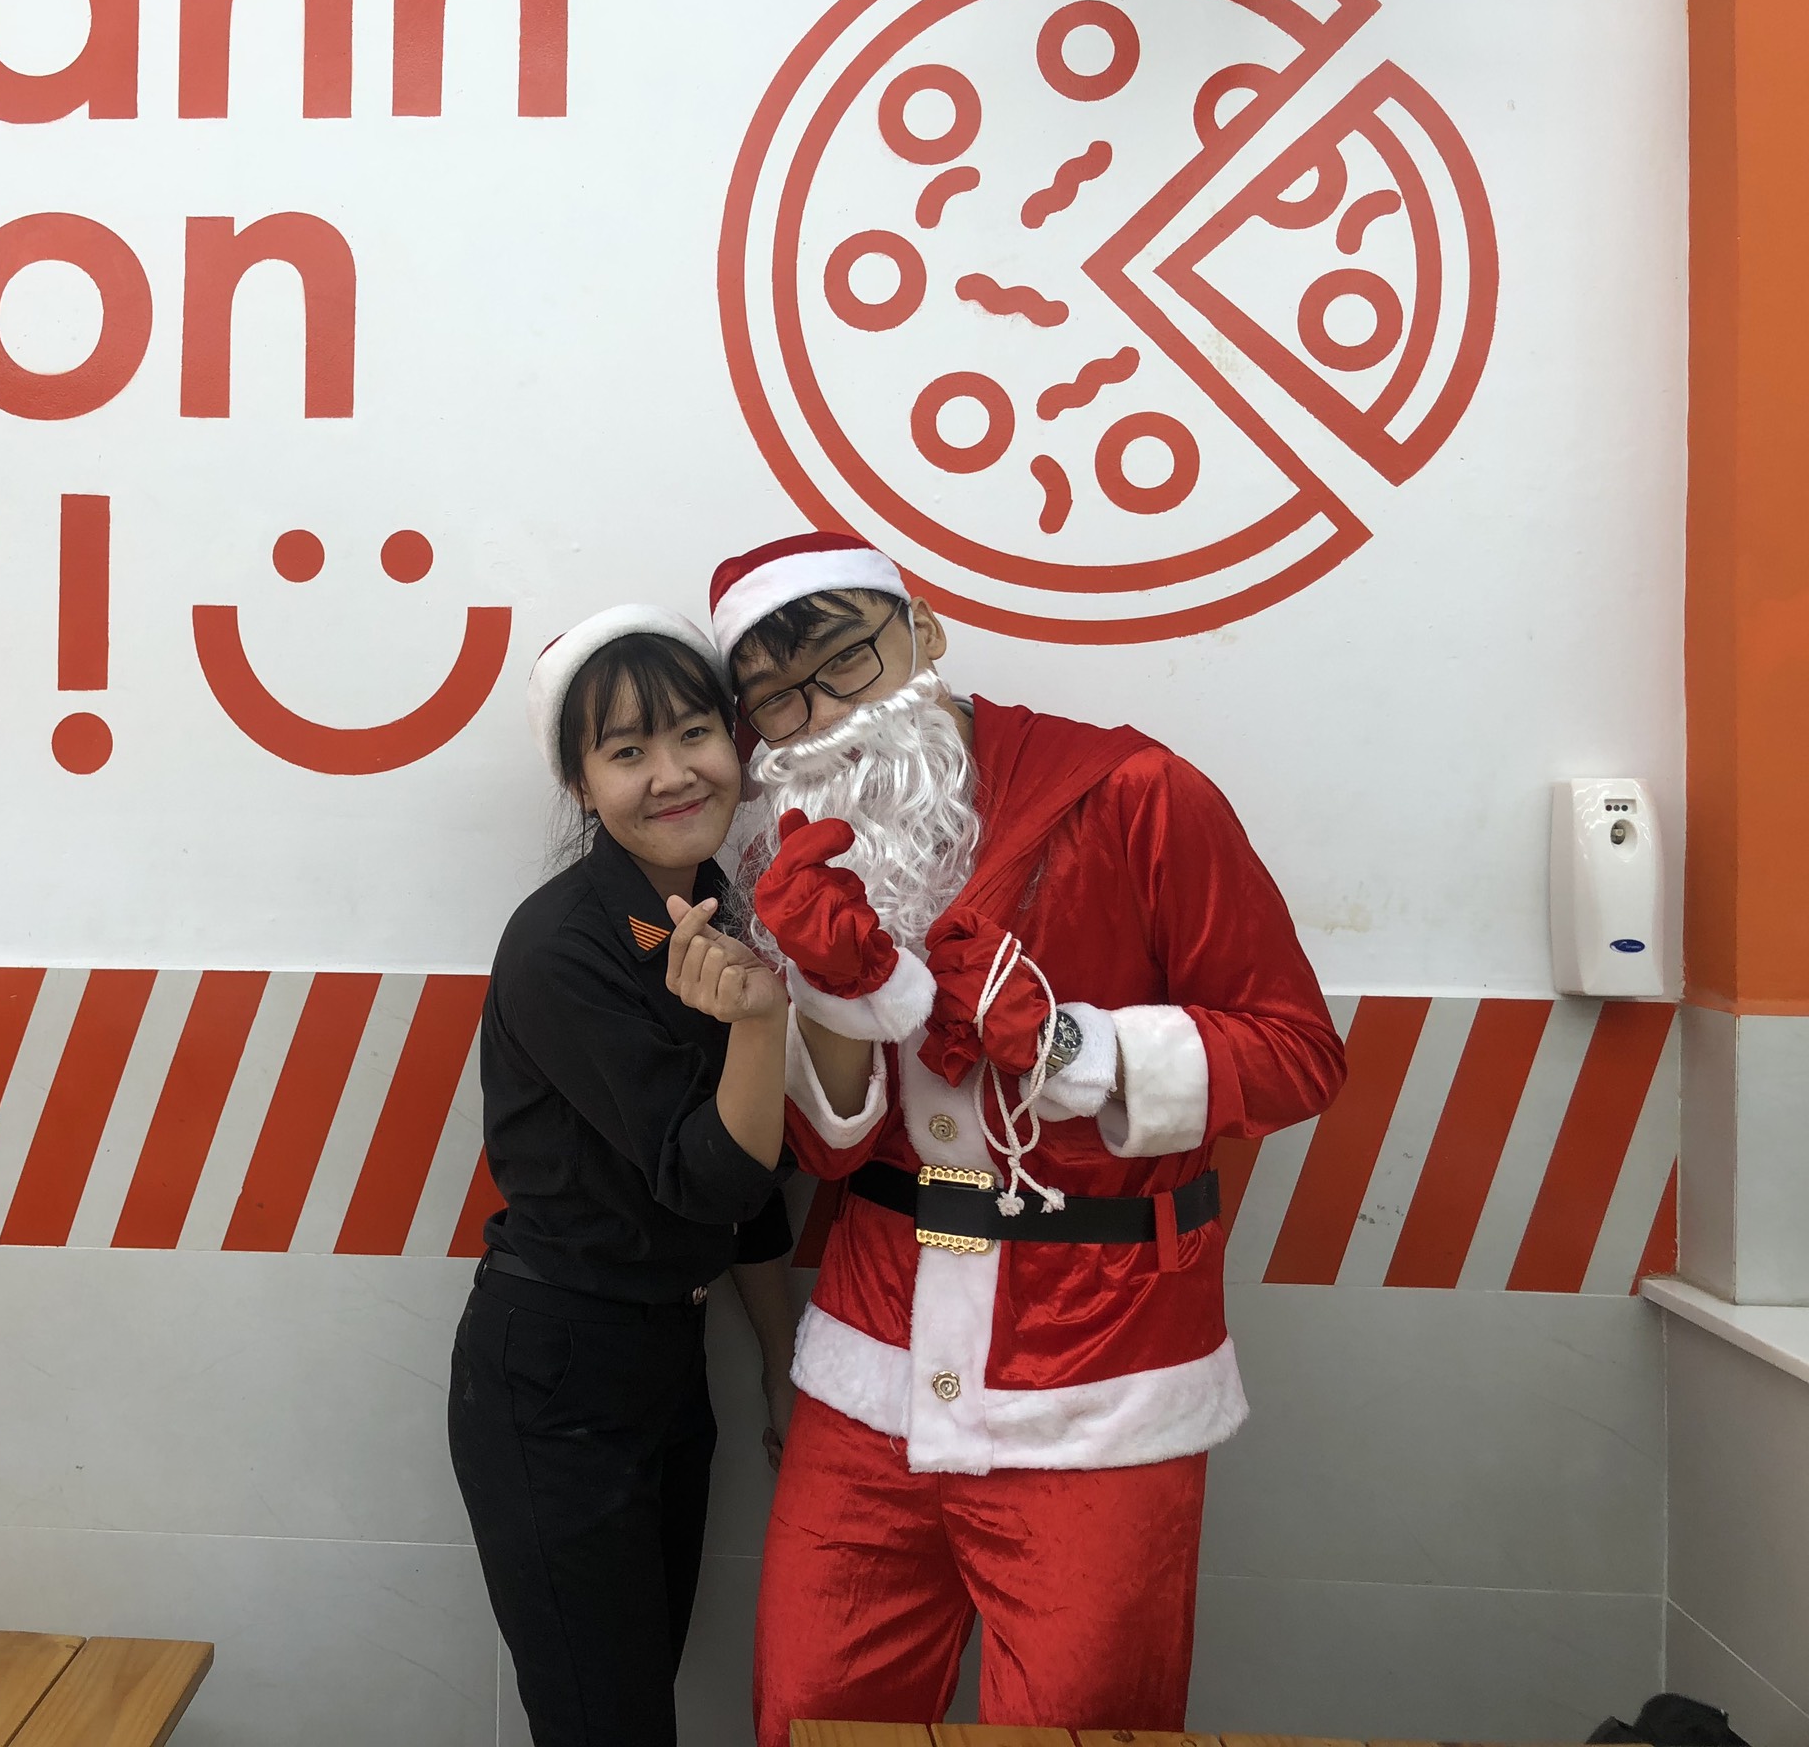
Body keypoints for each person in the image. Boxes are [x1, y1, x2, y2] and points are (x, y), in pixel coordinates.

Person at [700, 533, 1347, 1742]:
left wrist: (1067, 1047)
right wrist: (834, 987)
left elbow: (1297, 1052)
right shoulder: (787, 852)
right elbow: (830, 1150)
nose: (822, 714)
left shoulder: (1136, 794)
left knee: (1080, 1728)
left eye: (845, 662)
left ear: (924, 632)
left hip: (1100, 1379)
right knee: (807, 1717)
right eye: (777, 698)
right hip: (873, 1369)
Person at [449, 603, 801, 1747]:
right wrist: (760, 1025)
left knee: (638, 1700)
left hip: (667, 1362)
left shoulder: (715, 909)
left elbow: (756, 1197)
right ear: (580, 784)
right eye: (626, 750)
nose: (671, 774)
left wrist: (780, 1365)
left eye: (692, 733)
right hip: (555, 1373)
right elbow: (708, 1178)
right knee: (605, 1725)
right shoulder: (563, 946)